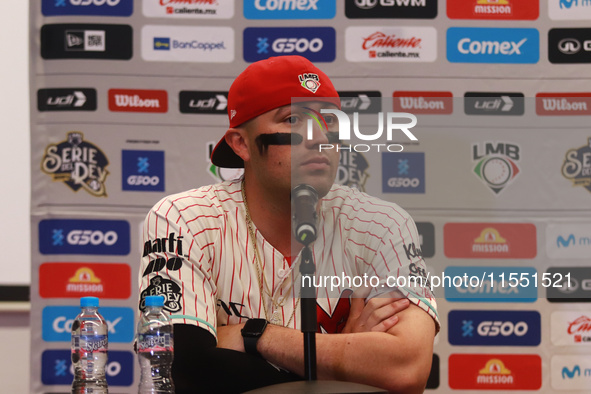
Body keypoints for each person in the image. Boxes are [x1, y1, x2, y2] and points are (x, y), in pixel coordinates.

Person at [138, 55, 439, 393]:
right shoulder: (185, 218)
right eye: (292, 119)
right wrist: (344, 366)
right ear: (241, 144)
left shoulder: (381, 224)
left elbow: (408, 369)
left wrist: (255, 336)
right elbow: (185, 369)